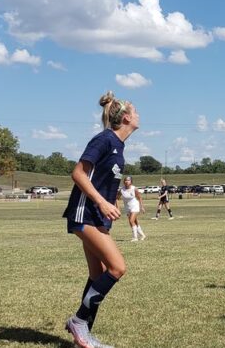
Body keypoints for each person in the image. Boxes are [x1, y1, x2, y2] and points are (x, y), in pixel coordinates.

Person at [62, 91, 139, 348]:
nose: (139, 115)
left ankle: (82, 337)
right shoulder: (105, 139)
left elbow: (102, 178)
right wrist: (101, 202)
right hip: (85, 213)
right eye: (136, 111)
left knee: (98, 274)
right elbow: (78, 173)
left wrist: (111, 199)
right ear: (126, 117)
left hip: (97, 215)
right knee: (118, 268)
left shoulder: (118, 145)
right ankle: (79, 321)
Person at [117, 176, 145, 242]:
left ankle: (135, 237)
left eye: (128, 180)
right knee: (135, 222)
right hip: (127, 207)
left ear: (131, 182)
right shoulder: (121, 190)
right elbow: (116, 198)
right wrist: (118, 208)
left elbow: (139, 198)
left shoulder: (134, 188)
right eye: (125, 180)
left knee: (131, 221)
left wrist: (142, 207)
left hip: (135, 206)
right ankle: (143, 235)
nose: (127, 181)